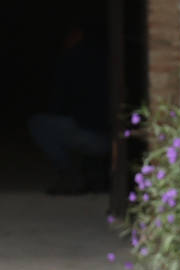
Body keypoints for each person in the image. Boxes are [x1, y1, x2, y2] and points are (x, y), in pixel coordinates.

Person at [26, 19, 109, 196]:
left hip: (93, 136)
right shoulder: (112, 57)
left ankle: (70, 175)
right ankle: (95, 174)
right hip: (114, 138)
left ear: (77, 35)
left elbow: (58, 104)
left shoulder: (73, 59)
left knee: (38, 124)